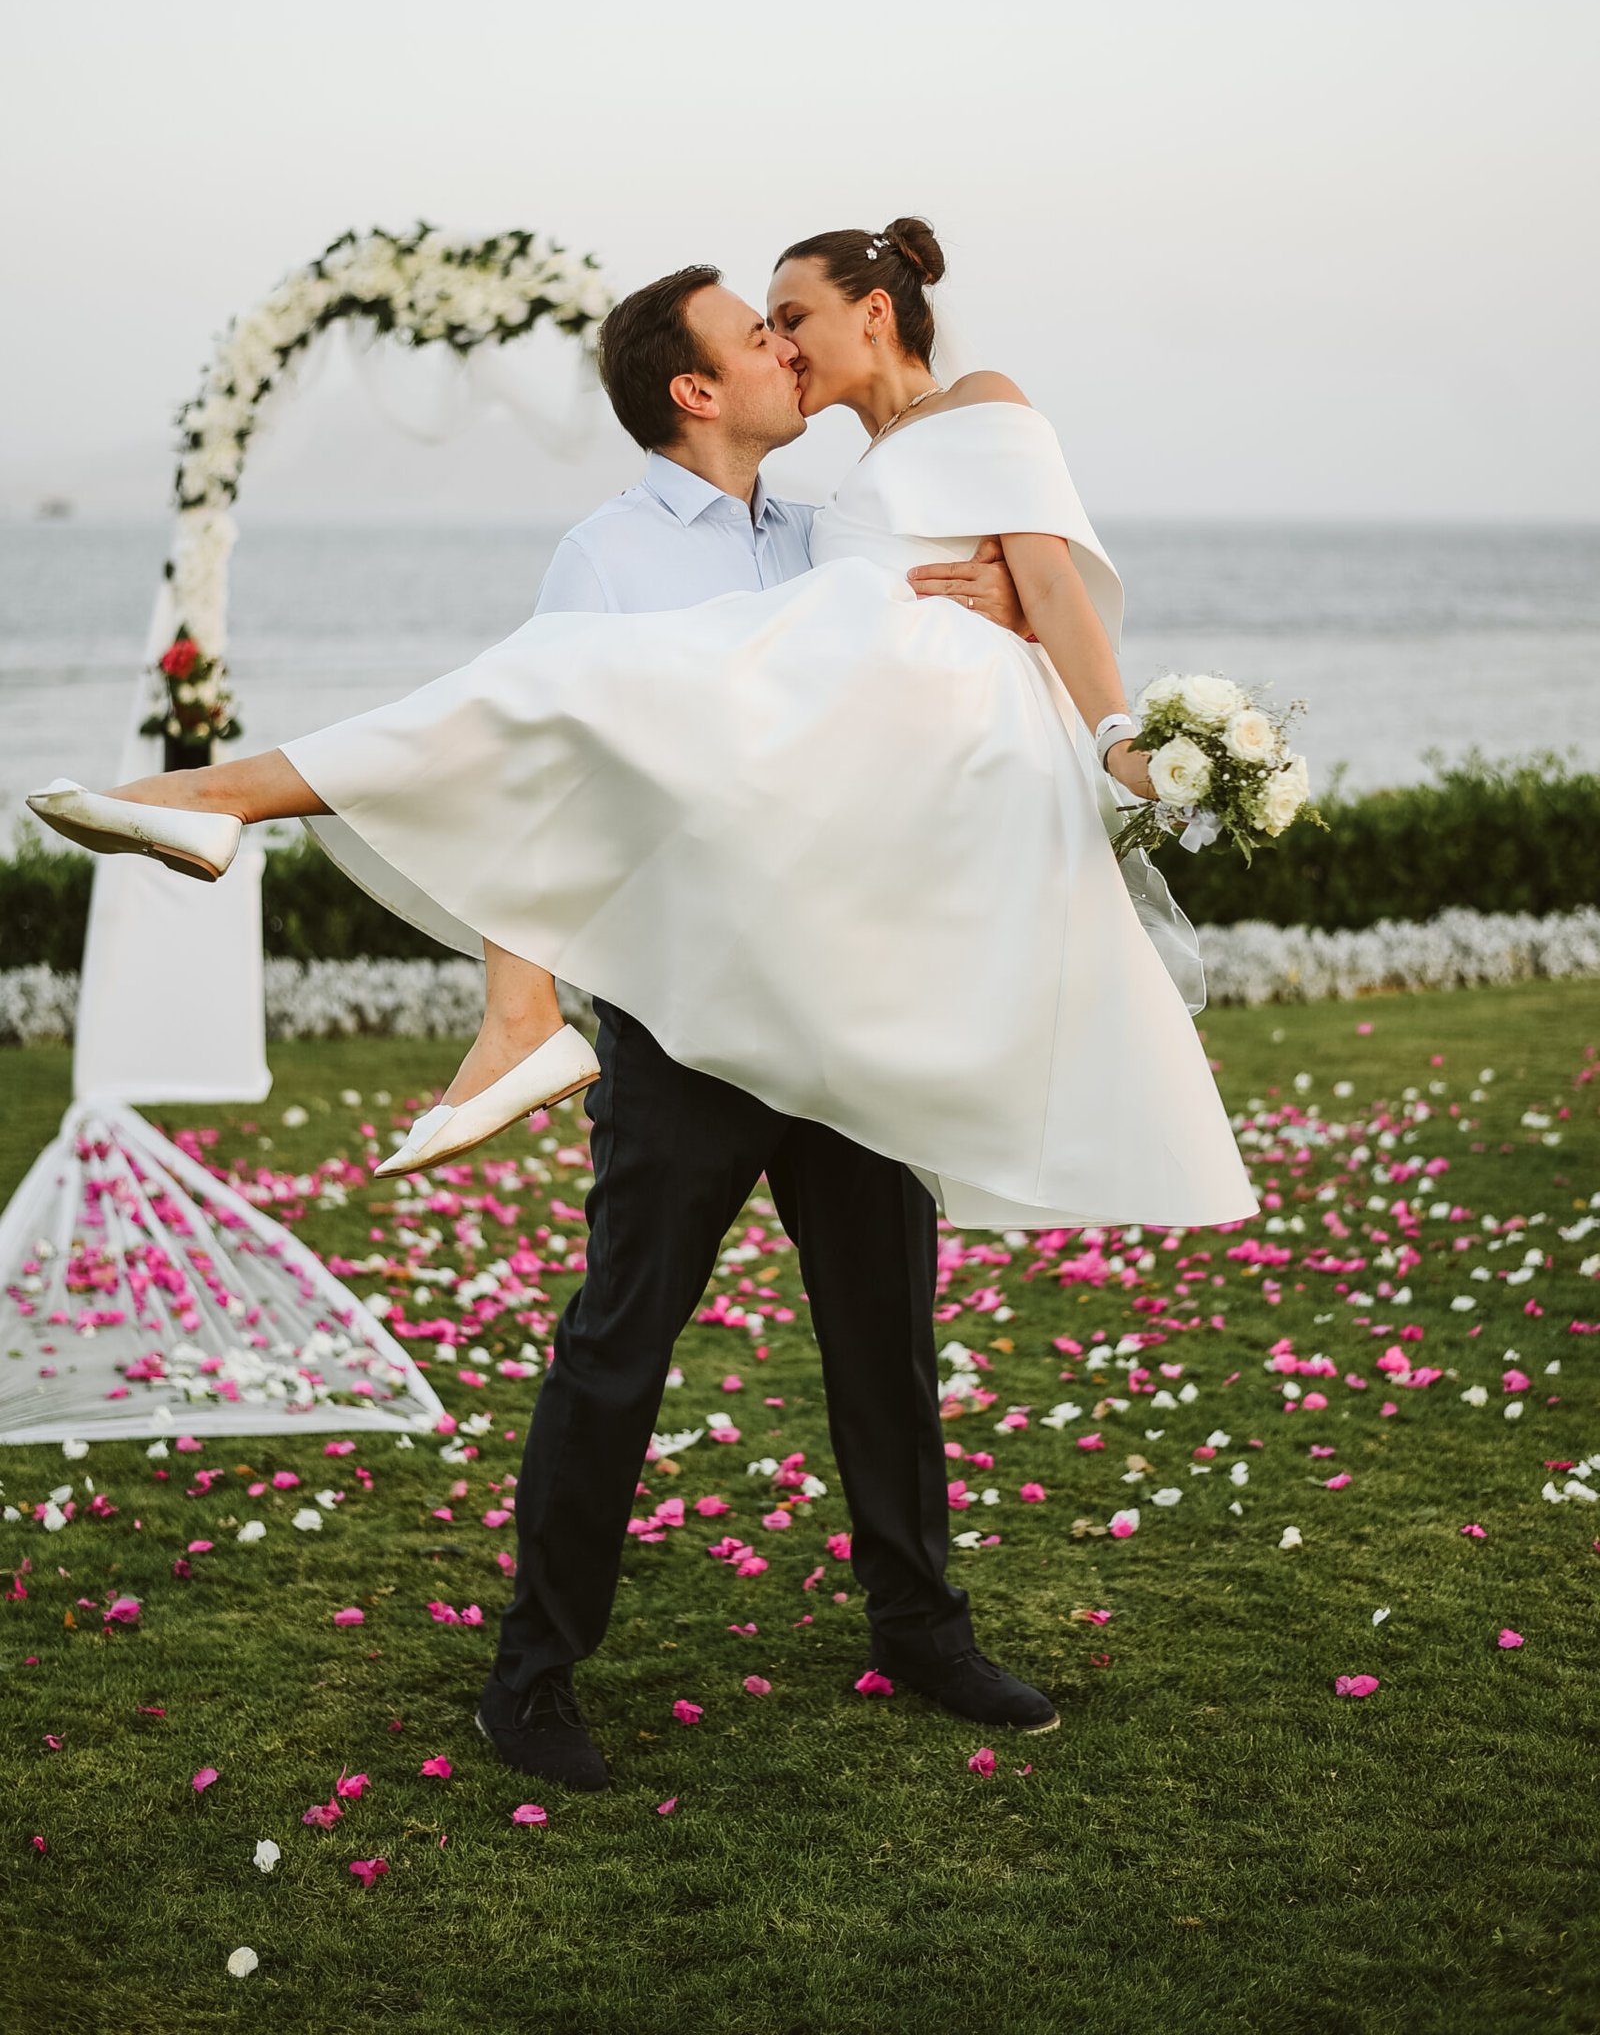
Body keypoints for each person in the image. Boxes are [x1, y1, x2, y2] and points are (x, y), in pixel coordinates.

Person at [31, 216, 1260, 1774]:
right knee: (619, 1343)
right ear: (694, 391)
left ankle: (922, 1629)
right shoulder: (606, 557)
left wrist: (1016, 623)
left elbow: (936, 656)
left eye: (790, 322)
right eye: (757, 335)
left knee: (886, 1337)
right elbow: (540, 782)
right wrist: (527, 993)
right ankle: (534, 1673)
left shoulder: (828, 525)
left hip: (855, 998)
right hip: (686, 1021)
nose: (782, 350)